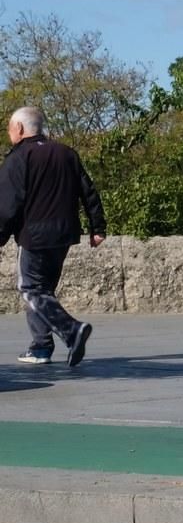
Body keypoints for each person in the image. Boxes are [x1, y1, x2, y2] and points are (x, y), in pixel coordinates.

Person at [0, 106, 105, 368]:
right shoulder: (66, 153)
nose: (9, 133)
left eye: (10, 128)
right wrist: (97, 227)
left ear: (20, 129)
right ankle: (41, 347)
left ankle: (71, 330)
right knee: (43, 291)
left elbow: (7, 204)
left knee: (30, 289)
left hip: (34, 236)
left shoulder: (19, 157)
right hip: (64, 235)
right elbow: (88, 191)